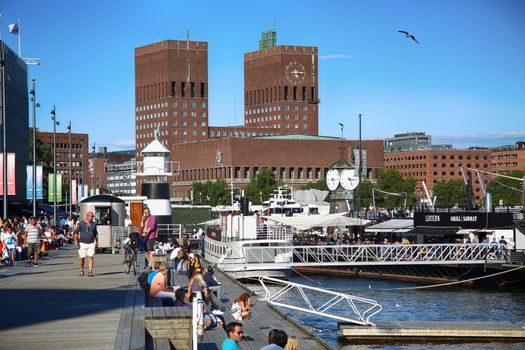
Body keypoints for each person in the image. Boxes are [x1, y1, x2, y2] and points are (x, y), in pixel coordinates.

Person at [74, 211, 98, 277]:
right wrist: (76, 240)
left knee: (90, 257)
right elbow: (76, 232)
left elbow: (96, 233)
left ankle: (90, 271)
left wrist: (97, 242)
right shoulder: (81, 223)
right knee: (82, 258)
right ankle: (81, 270)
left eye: (93, 216)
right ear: (87, 216)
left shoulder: (94, 224)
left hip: (91, 243)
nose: (92, 217)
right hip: (83, 243)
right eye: (91, 216)